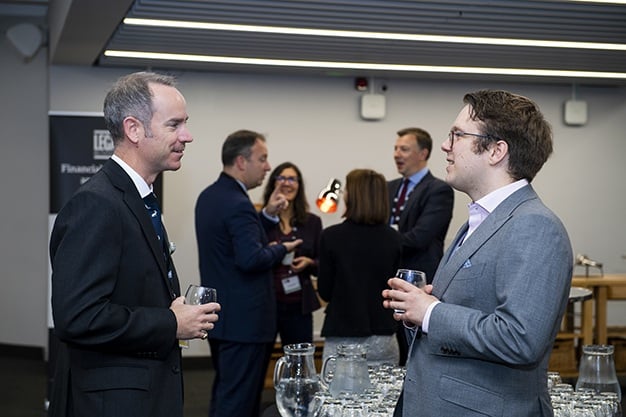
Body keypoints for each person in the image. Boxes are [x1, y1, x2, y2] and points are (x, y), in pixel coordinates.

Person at [383, 90, 573, 417]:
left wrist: (430, 313)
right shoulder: (478, 221)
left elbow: (520, 339)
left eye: (457, 135)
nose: (445, 145)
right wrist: (419, 309)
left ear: (497, 151)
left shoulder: (536, 225)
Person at [49, 71, 220, 417]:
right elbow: (78, 317)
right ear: (134, 129)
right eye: (174, 125)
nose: (187, 136)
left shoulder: (136, 199)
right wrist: (171, 323)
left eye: (185, 124)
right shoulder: (97, 204)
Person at [195, 130, 302, 417]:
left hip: (224, 318)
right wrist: (281, 248)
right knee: (239, 403)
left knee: (227, 394)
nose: (268, 167)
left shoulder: (210, 196)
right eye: (262, 159)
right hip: (245, 323)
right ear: (242, 162)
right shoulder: (238, 204)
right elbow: (250, 258)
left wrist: (266, 216)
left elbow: (236, 242)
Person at [318, 169, 402, 365]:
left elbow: (325, 292)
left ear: (353, 196)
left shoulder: (331, 236)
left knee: (337, 387)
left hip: (342, 335)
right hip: (384, 336)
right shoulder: (394, 238)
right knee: (384, 387)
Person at [388, 127, 454, 365]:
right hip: (390, 283)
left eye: (404, 149)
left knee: (415, 355)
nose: (397, 154)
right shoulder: (388, 187)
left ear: (423, 153)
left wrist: (379, 243)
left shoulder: (439, 190)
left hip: (420, 285)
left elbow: (419, 237)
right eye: (396, 149)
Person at [262, 162, 323, 346]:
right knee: (258, 358)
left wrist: (310, 263)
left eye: (292, 179)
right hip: (266, 304)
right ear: (273, 183)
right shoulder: (261, 220)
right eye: (281, 178)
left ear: (299, 185)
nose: (286, 183)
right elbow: (250, 257)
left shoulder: (312, 222)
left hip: (299, 306)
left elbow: (323, 262)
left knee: (300, 359)